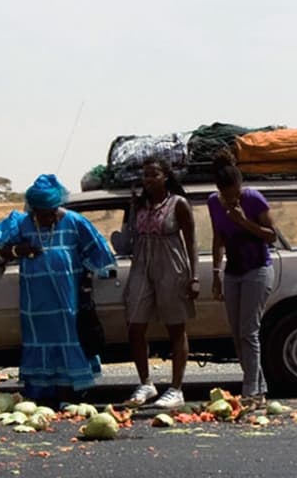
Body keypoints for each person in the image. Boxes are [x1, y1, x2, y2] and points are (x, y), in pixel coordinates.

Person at [0, 174, 116, 406]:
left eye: (51, 212)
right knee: (40, 342)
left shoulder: (75, 222)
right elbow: (3, 251)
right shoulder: (23, 223)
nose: (47, 218)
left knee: (67, 339)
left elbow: (97, 252)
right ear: (33, 210)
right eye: (41, 214)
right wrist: (20, 250)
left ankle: (70, 395)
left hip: (67, 300)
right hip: (35, 303)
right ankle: (42, 397)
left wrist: (88, 277)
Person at [124, 157, 198, 409]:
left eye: (154, 174)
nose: (148, 179)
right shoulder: (139, 205)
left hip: (171, 264)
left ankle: (176, 389)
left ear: (166, 176)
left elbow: (191, 241)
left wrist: (193, 276)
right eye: (145, 175)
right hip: (142, 264)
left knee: (175, 327)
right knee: (135, 324)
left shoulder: (178, 204)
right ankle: (145, 383)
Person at [207, 150, 278, 406]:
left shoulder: (253, 199)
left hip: (257, 269)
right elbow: (218, 239)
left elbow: (272, 236)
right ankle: (258, 387)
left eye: (235, 193)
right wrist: (216, 274)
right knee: (237, 333)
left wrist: (243, 221)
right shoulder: (214, 202)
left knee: (249, 331)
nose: (231, 198)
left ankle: (251, 391)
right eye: (226, 195)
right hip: (233, 271)